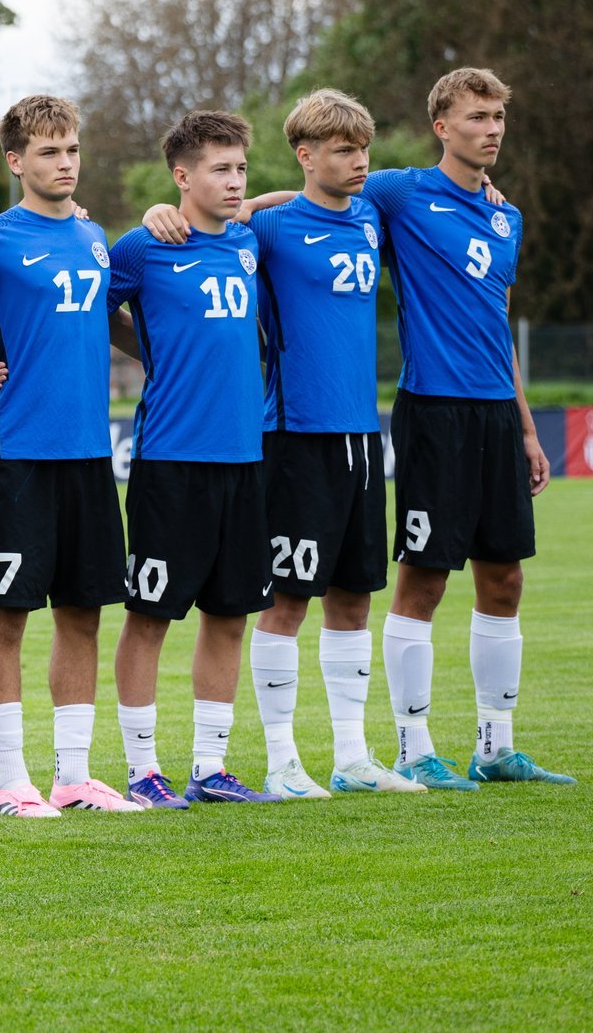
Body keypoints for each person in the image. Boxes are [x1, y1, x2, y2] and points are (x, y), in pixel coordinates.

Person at [155, 91, 425, 796]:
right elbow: (224, 217)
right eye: (341, 150)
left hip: (362, 438)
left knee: (356, 598)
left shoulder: (371, 216)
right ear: (307, 156)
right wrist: (165, 212)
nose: (359, 161)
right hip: (294, 437)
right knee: (286, 601)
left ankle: (351, 756)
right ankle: (279, 761)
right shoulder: (267, 232)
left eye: (362, 148)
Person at [357, 69, 570, 788]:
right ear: (442, 126)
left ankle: (494, 746)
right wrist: (189, 211)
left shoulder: (506, 217)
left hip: (495, 419)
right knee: (423, 579)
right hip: (433, 412)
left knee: (504, 578)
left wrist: (529, 431)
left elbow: (496, 322)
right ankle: (414, 747)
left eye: (500, 117)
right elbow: (311, 198)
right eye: (479, 116)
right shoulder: (399, 193)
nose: (494, 129)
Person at [0, 95, 142, 816]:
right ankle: (10, 782)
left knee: (84, 614)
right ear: (16, 160)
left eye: (73, 150)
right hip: (19, 453)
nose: (64, 163)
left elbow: (110, 316)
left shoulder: (95, 237)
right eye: (50, 151)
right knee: (8, 615)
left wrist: (165, 359)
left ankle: (73, 777)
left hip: (90, 452)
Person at [104, 111, 281, 808]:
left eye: (240, 168)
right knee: (149, 615)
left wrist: (259, 198)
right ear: (182, 176)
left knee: (230, 613)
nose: (234, 181)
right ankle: (143, 770)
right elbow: (85, 314)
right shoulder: (142, 247)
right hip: (170, 459)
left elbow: (300, 199)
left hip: (245, 458)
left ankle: (210, 767)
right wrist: (149, 354)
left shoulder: (247, 243)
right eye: (219, 168)